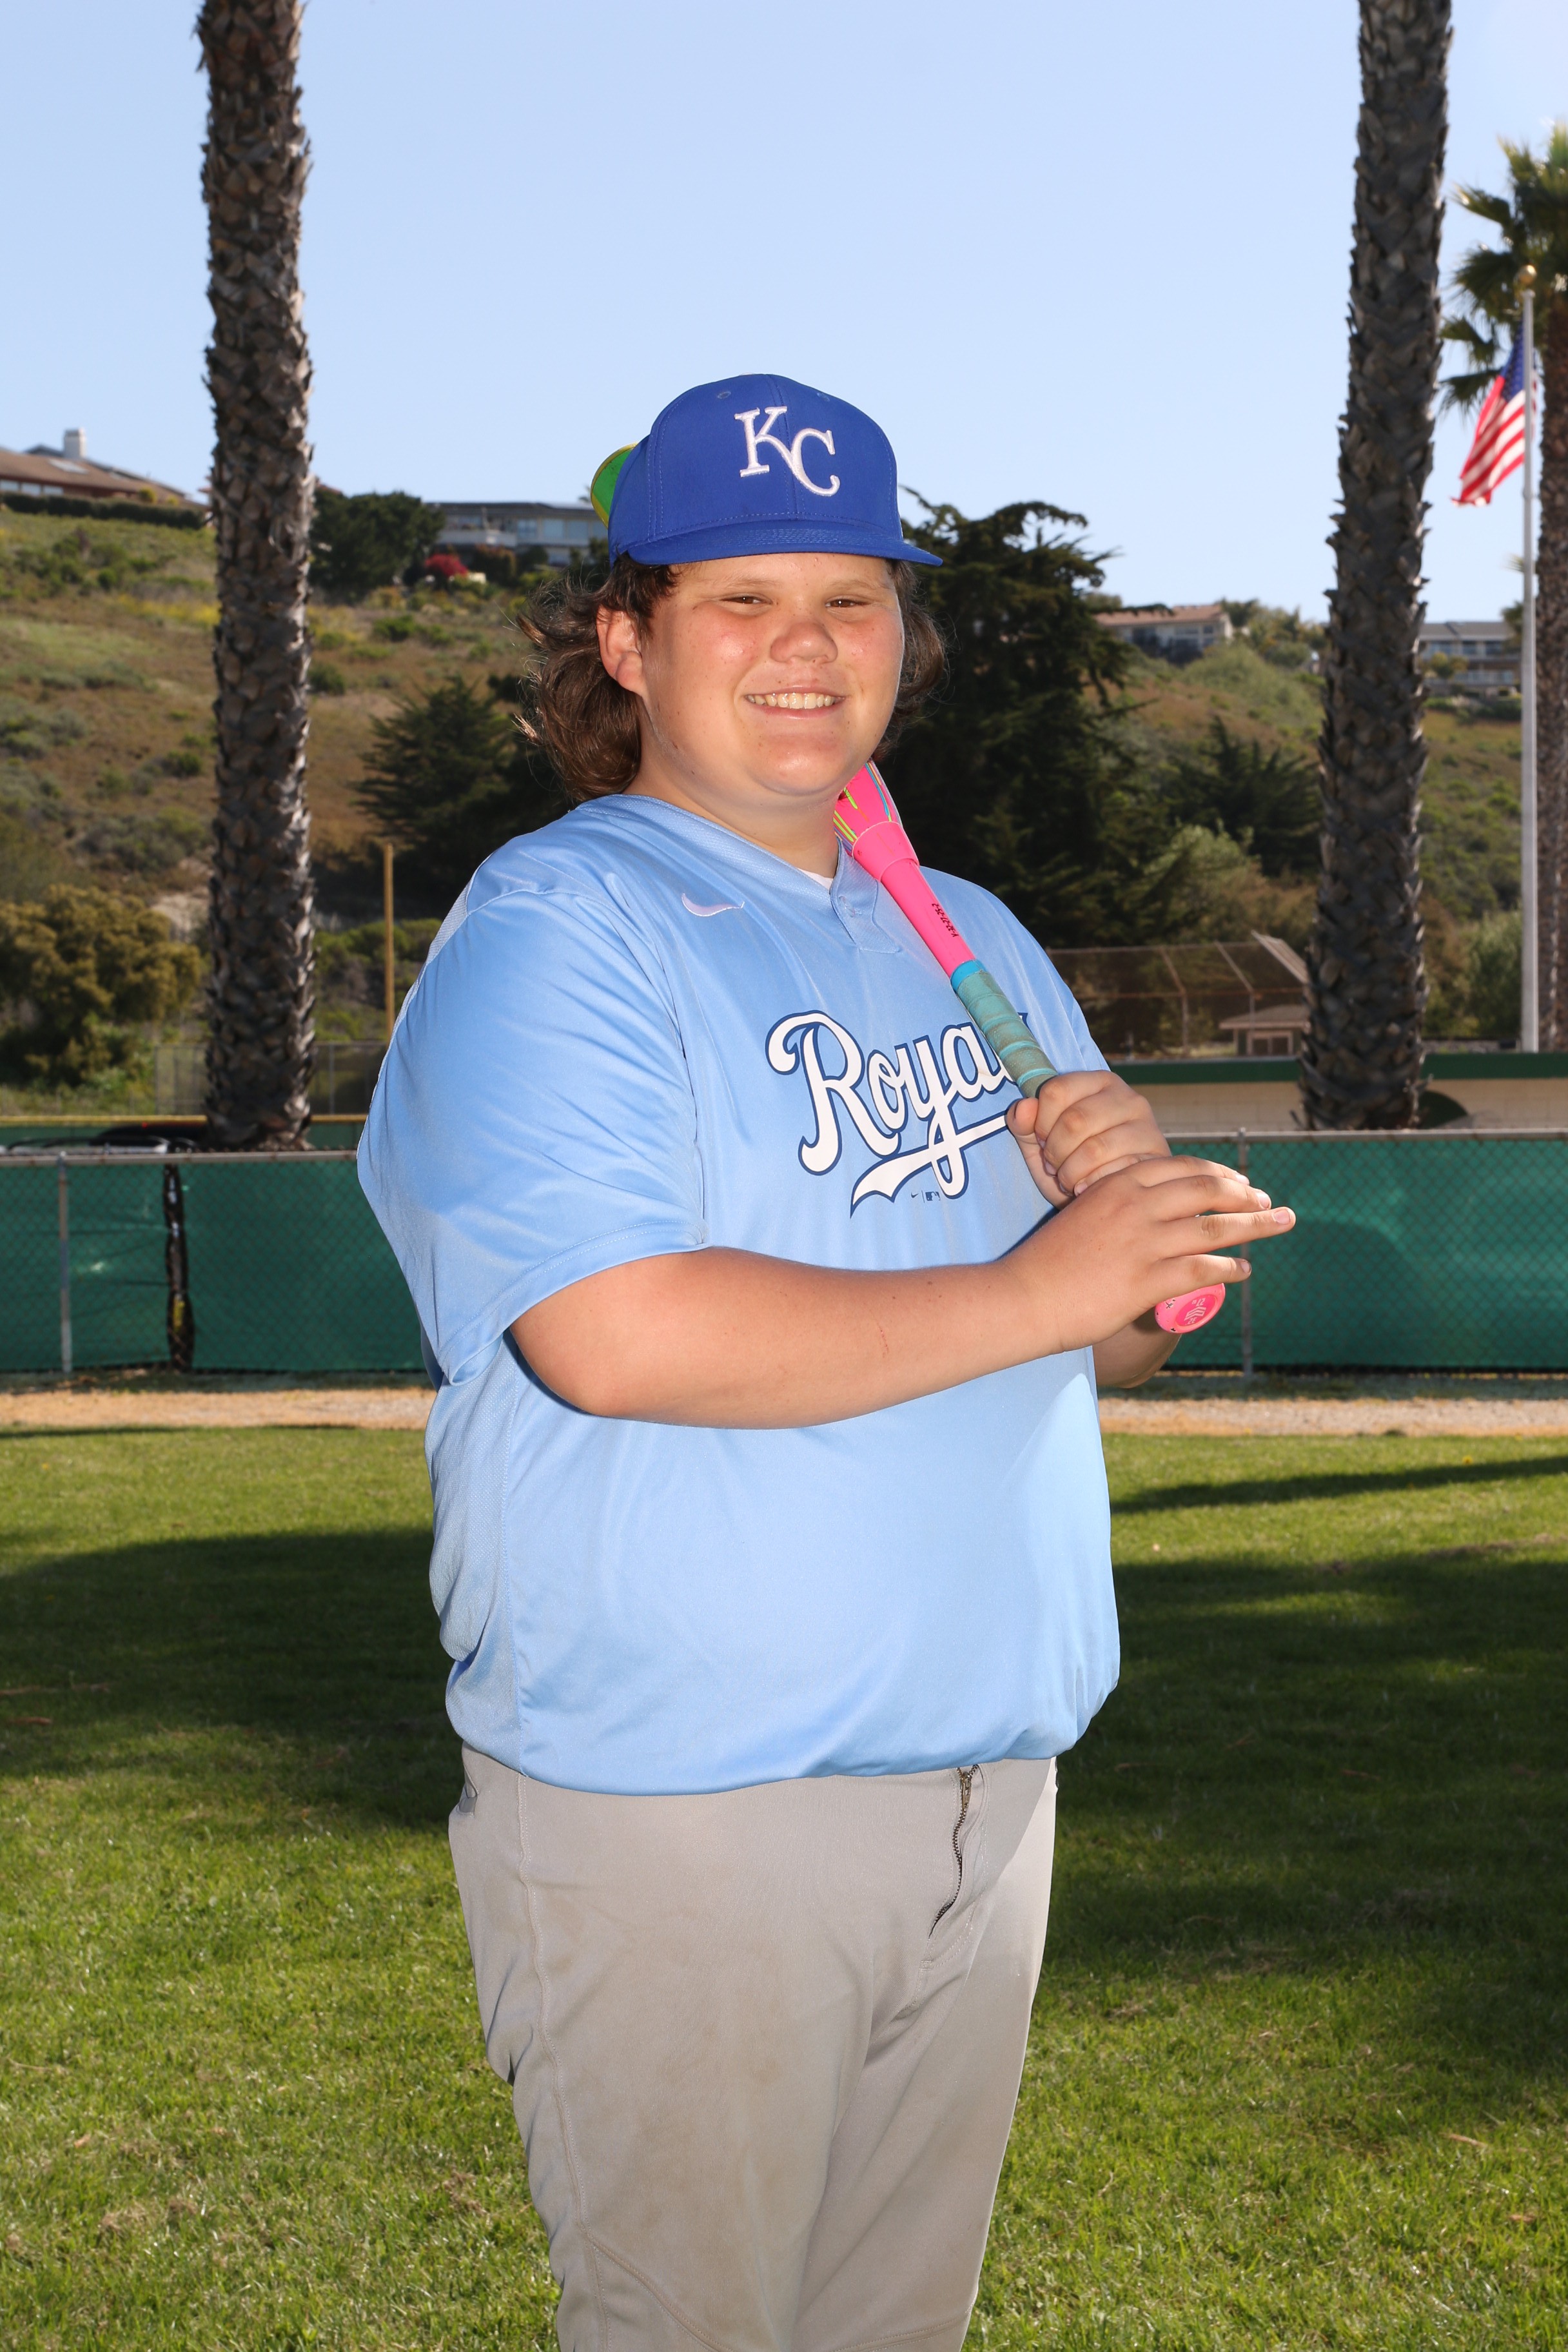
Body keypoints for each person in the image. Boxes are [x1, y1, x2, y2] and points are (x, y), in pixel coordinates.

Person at [359, 372, 1293, 2352]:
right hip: (695, 1810)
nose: (806, 646)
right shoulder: (561, 928)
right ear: (629, 641)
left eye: (850, 599)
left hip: (990, 1779)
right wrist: (1051, 1285)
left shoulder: (969, 934)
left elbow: (1095, 1353)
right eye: (741, 599)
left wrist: (1137, 1252)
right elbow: (614, 1331)